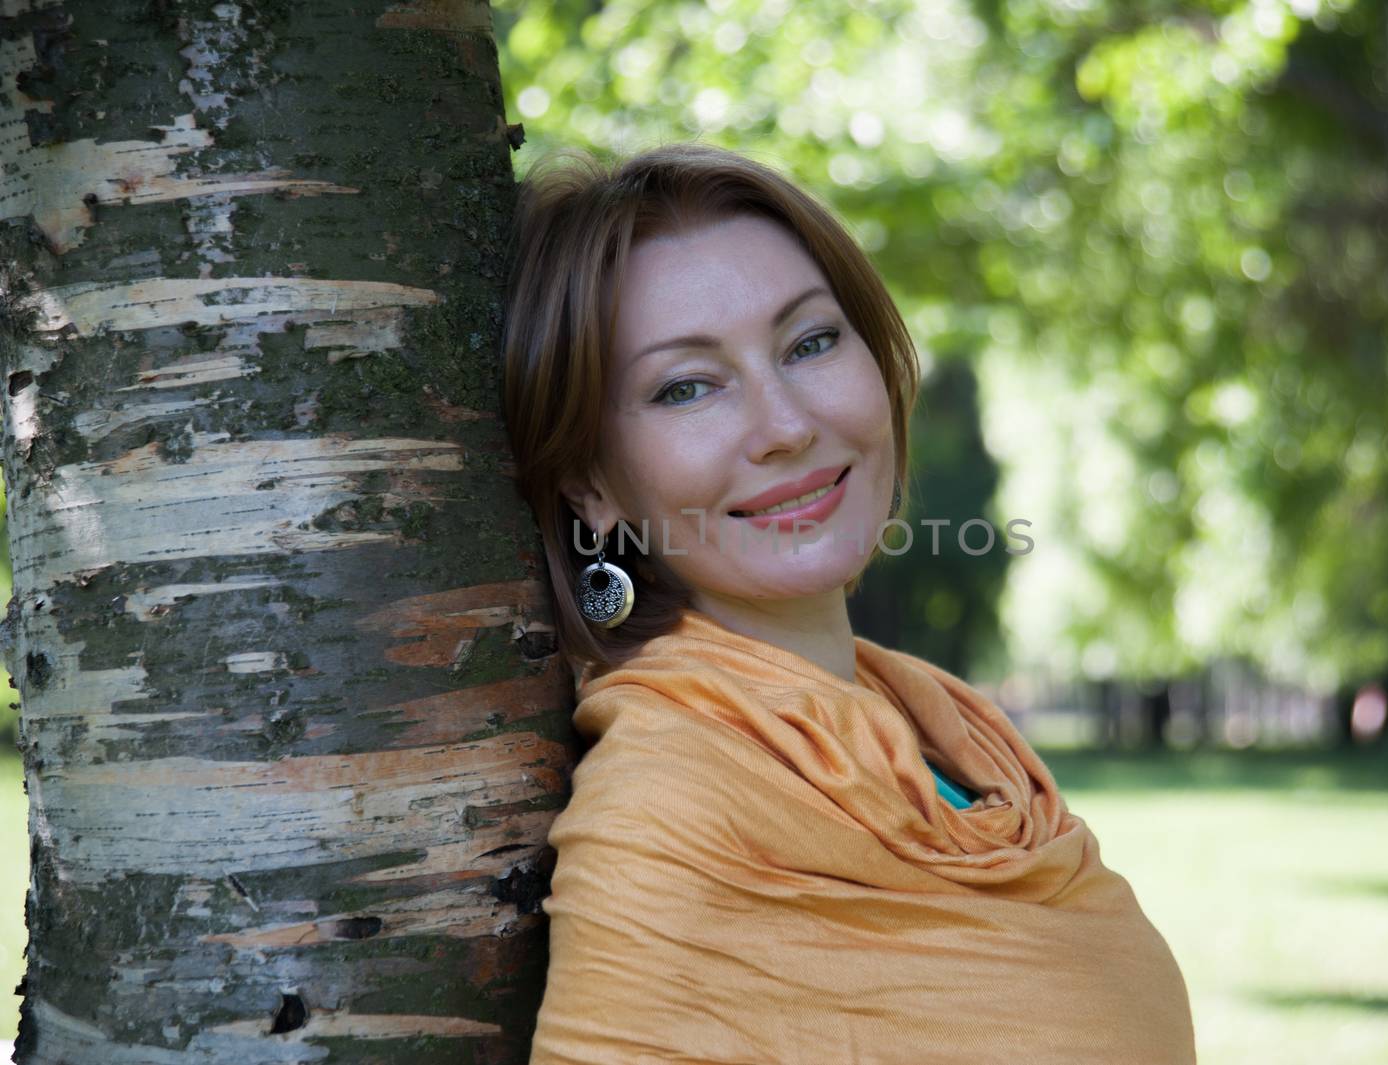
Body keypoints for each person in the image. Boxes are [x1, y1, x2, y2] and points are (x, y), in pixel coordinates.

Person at [501, 141, 1196, 1064]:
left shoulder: (947, 731)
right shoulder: (666, 810)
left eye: (811, 341)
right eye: (687, 387)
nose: (788, 424)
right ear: (591, 483)